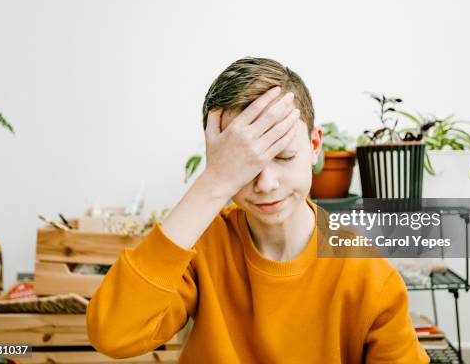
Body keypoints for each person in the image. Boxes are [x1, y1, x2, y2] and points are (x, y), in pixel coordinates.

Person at [86, 57, 429, 363]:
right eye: (244, 163)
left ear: (313, 146)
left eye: (283, 156)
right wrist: (214, 182)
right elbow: (113, 334)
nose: (265, 183)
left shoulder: (368, 275)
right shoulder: (202, 246)